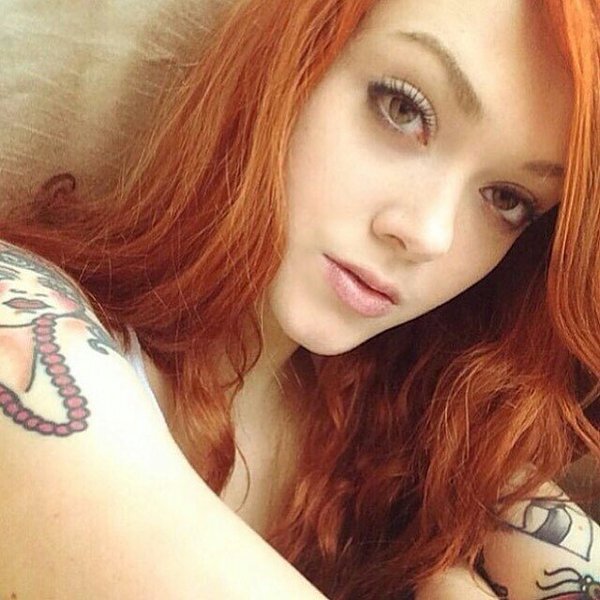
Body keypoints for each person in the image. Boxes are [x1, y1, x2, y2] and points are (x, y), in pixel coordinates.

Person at [0, 0, 599, 598]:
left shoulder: (422, 439)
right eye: (403, 108)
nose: (429, 235)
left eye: (506, 198)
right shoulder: (25, 329)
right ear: (286, 65)